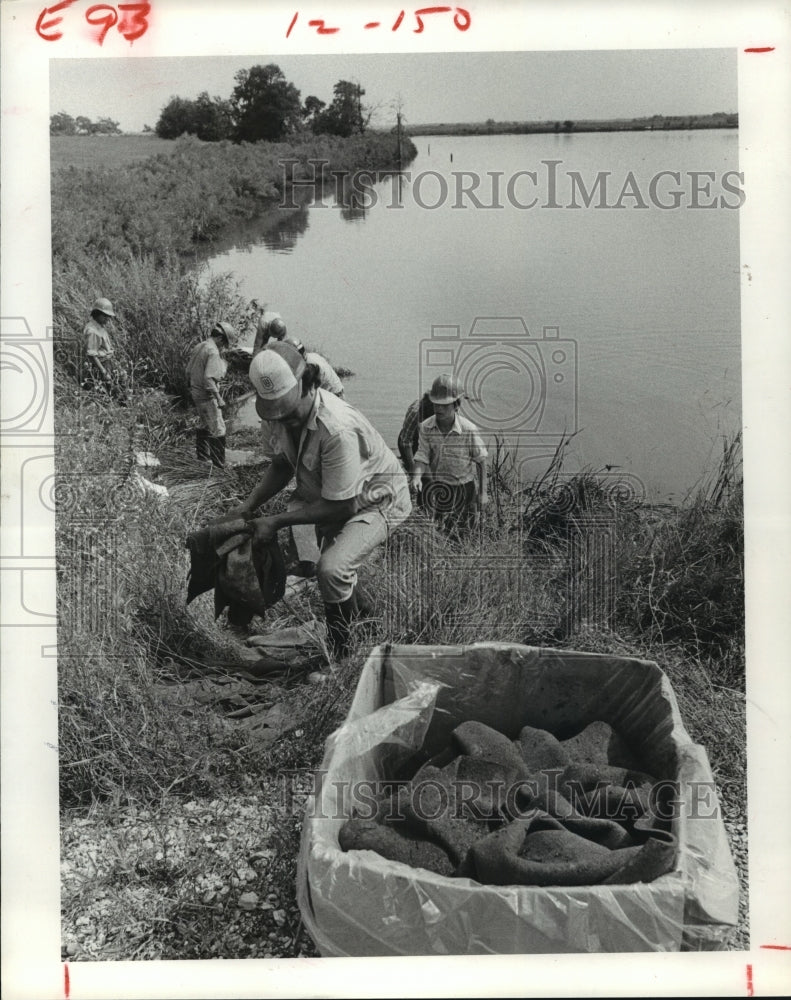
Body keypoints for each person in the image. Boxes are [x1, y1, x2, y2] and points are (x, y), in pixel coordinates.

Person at [235, 341, 411, 658]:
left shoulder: (337, 429)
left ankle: (340, 656)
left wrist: (275, 521)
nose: (284, 420)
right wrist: (248, 506)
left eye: (288, 411)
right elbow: (281, 464)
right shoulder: (283, 419)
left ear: (309, 384)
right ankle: (370, 630)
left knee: (331, 568)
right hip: (335, 492)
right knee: (342, 573)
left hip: (377, 498)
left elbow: (341, 505)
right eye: (277, 414)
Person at [412, 373, 488, 538]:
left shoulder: (468, 430)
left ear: (456, 405)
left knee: (465, 534)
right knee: (441, 532)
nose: (438, 409)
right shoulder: (426, 427)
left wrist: (482, 493)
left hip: (465, 488)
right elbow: (422, 455)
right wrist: (417, 477)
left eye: (444, 405)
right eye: (436, 404)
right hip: (440, 487)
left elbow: (481, 461)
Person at [186, 320, 236, 468]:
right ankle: (219, 465)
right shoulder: (213, 351)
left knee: (204, 424)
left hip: (196, 393)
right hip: (207, 396)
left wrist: (191, 389)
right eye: (224, 343)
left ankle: (202, 458)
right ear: (220, 338)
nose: (223, 346)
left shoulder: (200, 346)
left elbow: (188, 371)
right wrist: (219, 398)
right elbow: (209, 379)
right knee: (219, 428)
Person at [82, 297, 126, 400]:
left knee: (121, 379)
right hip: (101, 364)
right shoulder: (92, 330)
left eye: (109, 316)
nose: (108, 319)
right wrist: (104, 372)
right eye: (105, 316)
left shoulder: (98, 325)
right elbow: (91, 355)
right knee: (109, 390)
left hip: (107, 362)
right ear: (97, 313)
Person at [397, 392, 435, 506]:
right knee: (424, 477)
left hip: (428, 441)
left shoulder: (443, 412)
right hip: (409, 440)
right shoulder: (415, 412)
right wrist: (413, 467)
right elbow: (406, 442)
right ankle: (423, 510)